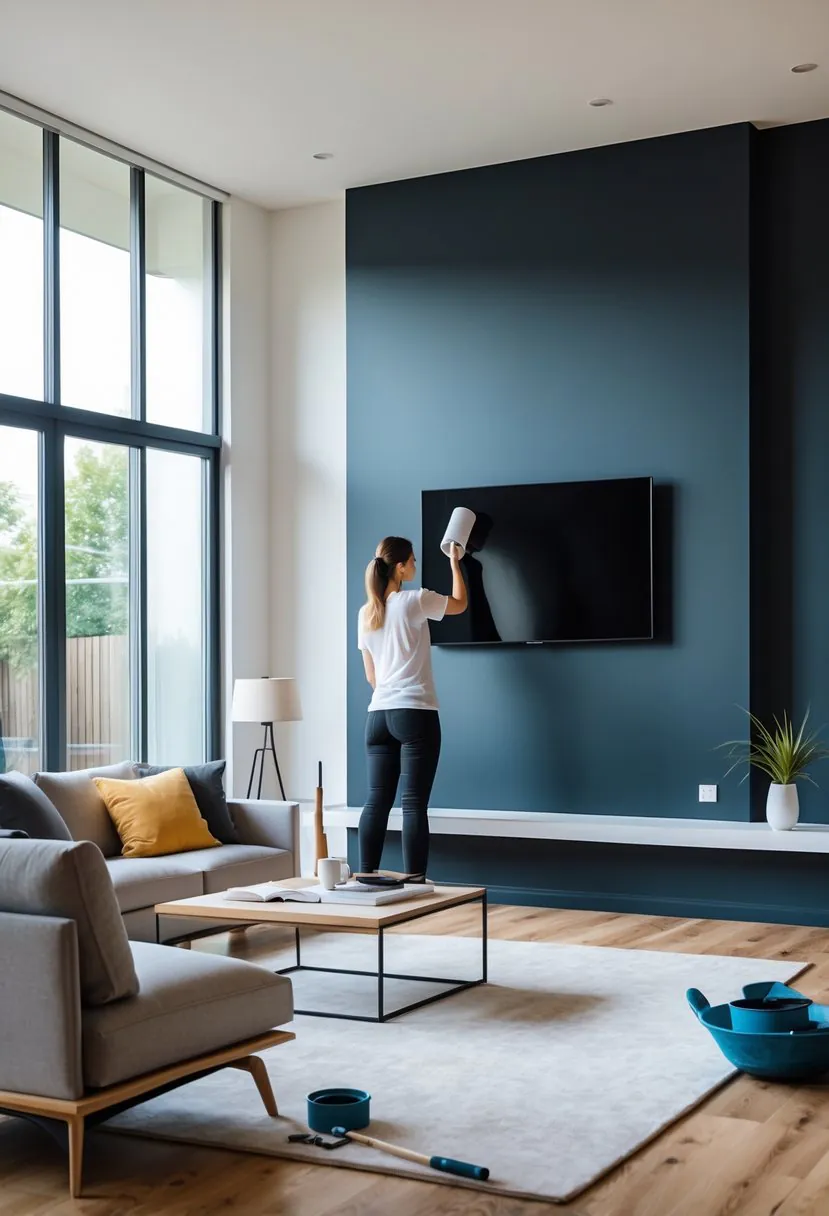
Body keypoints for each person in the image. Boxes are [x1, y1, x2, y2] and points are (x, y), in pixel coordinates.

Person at [357, 535, 467, 879]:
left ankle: (366, 878)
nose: (416, 567)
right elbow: (460, 603)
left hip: (378, 717)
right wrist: (454, 562)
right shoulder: (414, 601)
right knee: (414, 804)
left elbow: (371, 676)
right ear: (401, 567)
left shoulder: (366, 613)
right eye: (413, 561)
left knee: (376, 801)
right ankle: (415, 884)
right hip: (414, 712)